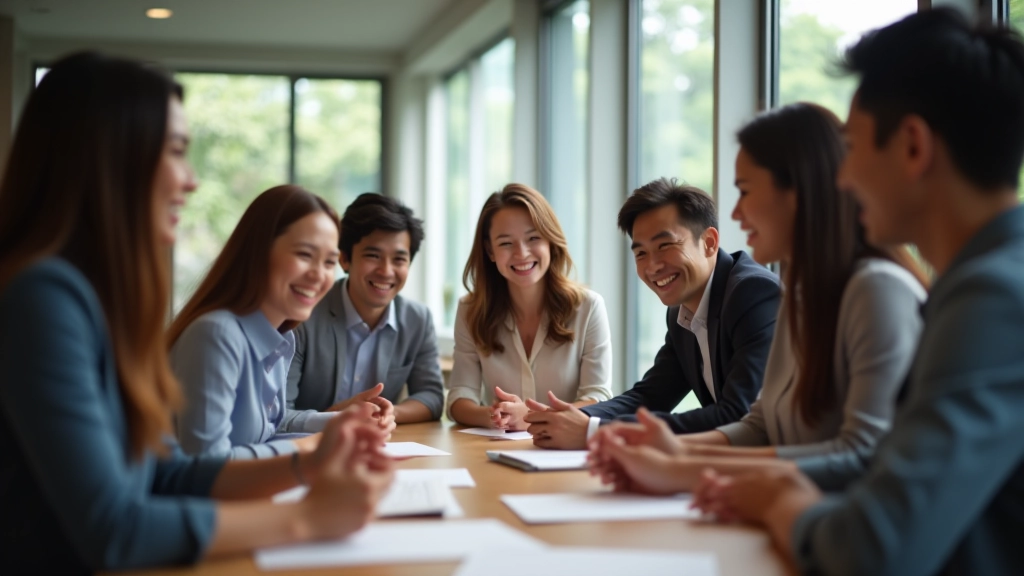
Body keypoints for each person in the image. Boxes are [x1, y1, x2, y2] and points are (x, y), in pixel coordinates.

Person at [0, 52, 393, 573]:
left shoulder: (104, 305)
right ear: (112, 158)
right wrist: (308, 518)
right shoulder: (42, 298)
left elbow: (169, 473)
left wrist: (311, 463)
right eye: (176, 152)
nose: (191, 180)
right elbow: (112, 529)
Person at [690, 9, 1024, 575]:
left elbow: (874, 547)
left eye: (855, 148)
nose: (842, 178)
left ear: (913, 146)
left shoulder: (992, 300)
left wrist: (776, 498)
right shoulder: (979, 284)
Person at [587, 103, 928, 492]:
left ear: (798, 191)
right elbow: (760, 424)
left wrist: (682, 468)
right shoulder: (800, 297)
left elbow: (862, 454)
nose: (736, 212)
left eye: (745, 191)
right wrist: (673, 452)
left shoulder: (875, 289)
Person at [523, 179, 781, 448]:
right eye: (641, 254)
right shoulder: (681, 312)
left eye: (665, 246)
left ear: (709, 242)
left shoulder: (752, 293)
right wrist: (572, 417)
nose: (653, 266)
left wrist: (594, 430)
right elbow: (650, 396)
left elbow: (739, 414)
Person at [168, 185, 395, 458]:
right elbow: (206, 463)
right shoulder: (215, 334)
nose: (319, 275)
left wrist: (345, 421)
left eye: (329, 262)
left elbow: (270, 425)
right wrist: (313, 447)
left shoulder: (281, 336)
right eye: (305, 255)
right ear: (258, 252)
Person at [446, 184, 613, 430]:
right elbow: (459, 397)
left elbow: (598, 398)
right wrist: (498, 416)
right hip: (495, 445)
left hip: (568, 447)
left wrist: (529, 417)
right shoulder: (471, 310)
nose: (522, 253)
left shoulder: (588, 308)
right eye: (506, 243)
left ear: (550, 241)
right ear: (490, 250)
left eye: (533, 238)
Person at [286, 193, 444, 424]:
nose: (386, 271)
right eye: (373, 256)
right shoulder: (302, 316)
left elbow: (432, 397)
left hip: (376, 441)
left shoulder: (417, 319)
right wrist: (341, 416)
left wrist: (387, 413)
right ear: (344, 259)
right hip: (309, 443)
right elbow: (278, 416)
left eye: (399, 259)